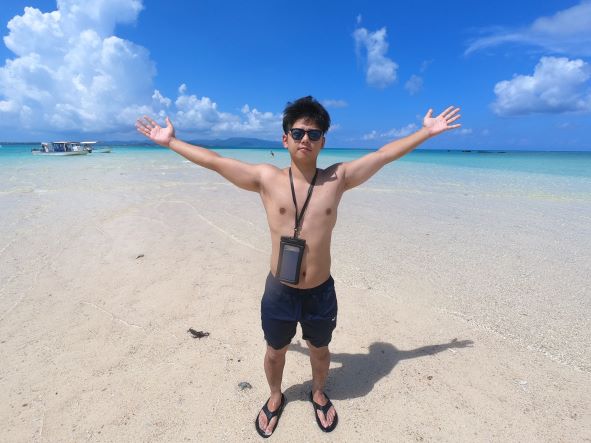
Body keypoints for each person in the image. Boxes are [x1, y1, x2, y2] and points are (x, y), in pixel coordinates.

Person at [136, 96, 461, 437]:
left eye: (314, 133)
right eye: (298, 132)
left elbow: (383, 155)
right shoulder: (266, 178)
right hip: (280, 290)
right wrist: (171, 142)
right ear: (285, 139)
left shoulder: (338, 178)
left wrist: (425, 133)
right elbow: (216, 161)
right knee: (275, 352)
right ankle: (276, 396)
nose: (306, 138)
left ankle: (318, 393)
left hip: (320, 292)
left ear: (323, 141)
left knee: (320, 351)